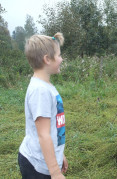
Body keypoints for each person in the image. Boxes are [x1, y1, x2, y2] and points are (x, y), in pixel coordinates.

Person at [18, 32, 68, 179]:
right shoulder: (40, 91)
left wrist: (59, 155)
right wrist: (55, 172)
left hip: (45, 160)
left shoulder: (45, 86)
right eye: (59, 55)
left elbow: (53, 129)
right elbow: (44, 135)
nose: (61, 59)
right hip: (36, 166)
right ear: (47, 59)